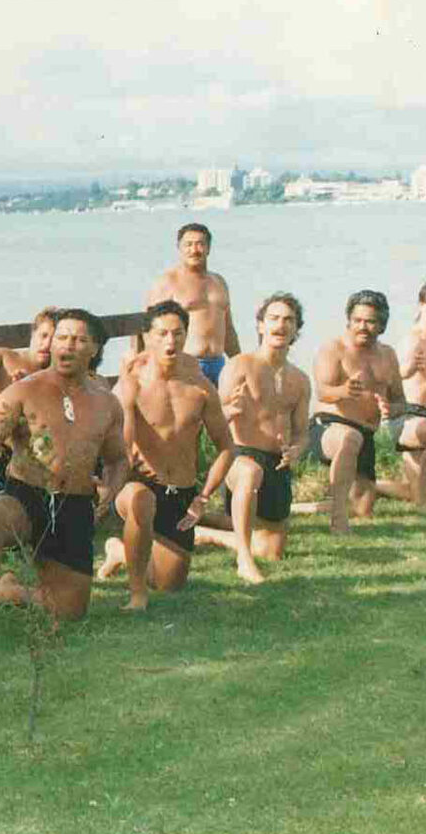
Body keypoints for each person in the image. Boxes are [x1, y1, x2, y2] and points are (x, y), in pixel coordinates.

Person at [0, 310, 131, 638]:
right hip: (26, 494)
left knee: (71, 611)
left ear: (95, 348)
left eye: (79, 339)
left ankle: (12, 590)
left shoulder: (107, 403)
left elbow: (118, 460)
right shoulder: (22, 390)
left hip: (74, 504)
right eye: (62, 337)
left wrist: (110, 493)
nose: (67, 345)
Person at [97, 300, 237, 609]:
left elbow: (227, 447)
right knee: (141, 499)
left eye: (178, 333)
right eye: (162, 334)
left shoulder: (200, 386)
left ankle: (119, 551)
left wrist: (203, 497)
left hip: (181, 493)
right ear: (147, 336)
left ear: (187, 335)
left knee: (169, 583)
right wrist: (110, 489)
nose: (170, 342)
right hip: (140, 484)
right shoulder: (131, 384)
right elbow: (122, 448)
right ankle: (137, 594)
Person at [194, 293, 311, 582]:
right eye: (273, 318)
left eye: (288, 320)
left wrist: (296, 450)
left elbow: (302, 434)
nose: (280, 325)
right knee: (250, 472)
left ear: (296, 329)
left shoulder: (300, 380)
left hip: (277, 464)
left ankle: (204, 530)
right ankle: (244, 560)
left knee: (271, 551)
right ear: (261, 325)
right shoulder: (239, 365)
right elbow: (211, 424)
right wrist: (228, 412)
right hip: (240, 457)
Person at [306, 290, 409, 533]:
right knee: (349, 437)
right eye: (357, 320)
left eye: (370, 321)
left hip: (366, 434)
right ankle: (338, 520)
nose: (362, 327)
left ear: (382, 324)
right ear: (349, 321)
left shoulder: (388, 355)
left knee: (362, 509)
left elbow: (401, 401)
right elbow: (322, 392)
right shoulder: (333, 348)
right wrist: (343, 390)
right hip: (329, 428)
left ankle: (307, 507)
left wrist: (390, 408)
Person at [376, 277, 426, 513]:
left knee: (413, 490)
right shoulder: (410, 340)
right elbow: (389, 379)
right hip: (406, 418)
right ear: (421, 305)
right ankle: (425, 506)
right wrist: (409, 368)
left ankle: (365, 485)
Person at [131, 223, 241, 385]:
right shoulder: (167, 283)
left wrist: (239, 363)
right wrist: (147, 369)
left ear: (209, 248)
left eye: (200, 244)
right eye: (188, 244)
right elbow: (147, 329)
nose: (194, 250)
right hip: (186, 364)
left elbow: (229, 330)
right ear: (179, 248)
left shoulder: (219, 282)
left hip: (219, 364)